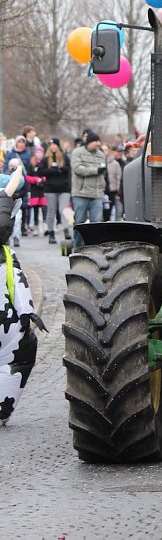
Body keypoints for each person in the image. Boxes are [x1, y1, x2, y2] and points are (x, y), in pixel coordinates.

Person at [0, 164, 46, 426]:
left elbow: (16, 280)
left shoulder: (7, 258)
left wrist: (27, 310)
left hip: (7, 330)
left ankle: (2, 407)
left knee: (21, 351)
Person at [70, 132, 107, 247]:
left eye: (99, 141)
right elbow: (77, 169)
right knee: (79, 222)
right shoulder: (77, 153)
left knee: (96, 223)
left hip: (97, 195)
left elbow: (104, 172)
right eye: (95, 141)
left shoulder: (101, 154)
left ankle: (93, 247)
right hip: (81, 194)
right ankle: (78, 246)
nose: (98, 144)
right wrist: (95, 170)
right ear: (89, 142)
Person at [38, 138, 72, 244]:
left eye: (54, 144)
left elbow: (69, 170)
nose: (53, 146)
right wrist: (51, 170)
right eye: (51, 145)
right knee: (51, 211)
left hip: (64, 188)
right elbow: (40, 171)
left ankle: (66, 230)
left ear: (58, 145)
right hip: (50, 189)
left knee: (63, 209)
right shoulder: (45, 158)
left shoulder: (64, 157)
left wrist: (60, 168)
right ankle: (51, 233)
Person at [25, 147, 47, 237]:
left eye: (41, 152)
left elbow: (48, 174)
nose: (39, 154)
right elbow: (27, 177)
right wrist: (35, 179)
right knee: (35, 209)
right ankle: (36, 227)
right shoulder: (31, 164)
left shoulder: (45, 163)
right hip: (34, 190)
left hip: (44, 189)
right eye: (37, 152)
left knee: (45, 208)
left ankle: (46, 227)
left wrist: (43, 179)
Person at [102, 144, 122, 222]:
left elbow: (118, 178)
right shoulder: (97, 162)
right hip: (100, 191)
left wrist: (117, 190)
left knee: (109, 212)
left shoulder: (115, 164)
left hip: (111, 191)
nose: (104, 152)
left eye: (106, 150)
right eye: (102, 150)